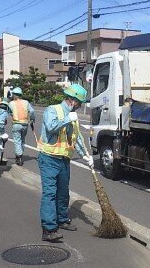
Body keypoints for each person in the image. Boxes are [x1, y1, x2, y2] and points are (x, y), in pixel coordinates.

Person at [37, 84, 93, 242]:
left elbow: (77, 139)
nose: (80, 106)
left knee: (63, 192)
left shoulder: (73, 117)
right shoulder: (52, 110)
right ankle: (48, 229)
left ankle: (62, 220)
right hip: (48, 158)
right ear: (73, 100)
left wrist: (85, 156)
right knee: (49, 193)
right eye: (80, 103)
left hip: (64, 160)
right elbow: (51, 127)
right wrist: (68, 118)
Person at [7, 87, 35, 166]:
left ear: (14, 95)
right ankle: (20, 155)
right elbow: (32, 111)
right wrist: (32, 119)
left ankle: (18, 157)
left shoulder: (11, 103)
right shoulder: (26, 102)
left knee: (17, 140)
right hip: (25, 124)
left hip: (16, 124)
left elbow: (9, 112)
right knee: (22, 140)